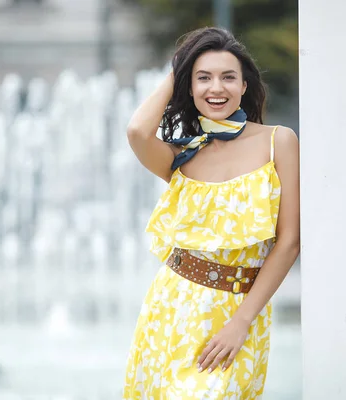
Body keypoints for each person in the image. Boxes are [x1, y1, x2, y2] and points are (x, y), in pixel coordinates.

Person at [123, 27, 300, 399]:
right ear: (187, 87)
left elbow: (289, 243)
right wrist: (181, 65)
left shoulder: (277, 141)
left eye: (227, 77)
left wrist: (241, 322)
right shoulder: (181, 156)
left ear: (244, 86)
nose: (215, 88)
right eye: (202, 78)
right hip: (171, 306)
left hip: (238, 312)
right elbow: (138, 131)